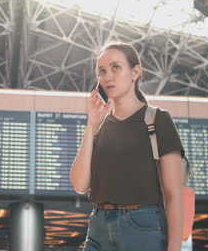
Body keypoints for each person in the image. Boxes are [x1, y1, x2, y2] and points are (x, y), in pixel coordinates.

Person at [70, 42, 185, 251]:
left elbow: (173, 193)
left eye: (116, 68)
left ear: (135, 73)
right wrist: (91, 125)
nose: (108, 77)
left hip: (143, 228)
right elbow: (79, 184)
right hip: (98, 228)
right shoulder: (100, 127)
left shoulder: (157, 119)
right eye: (102, 71)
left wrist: (174, 248)